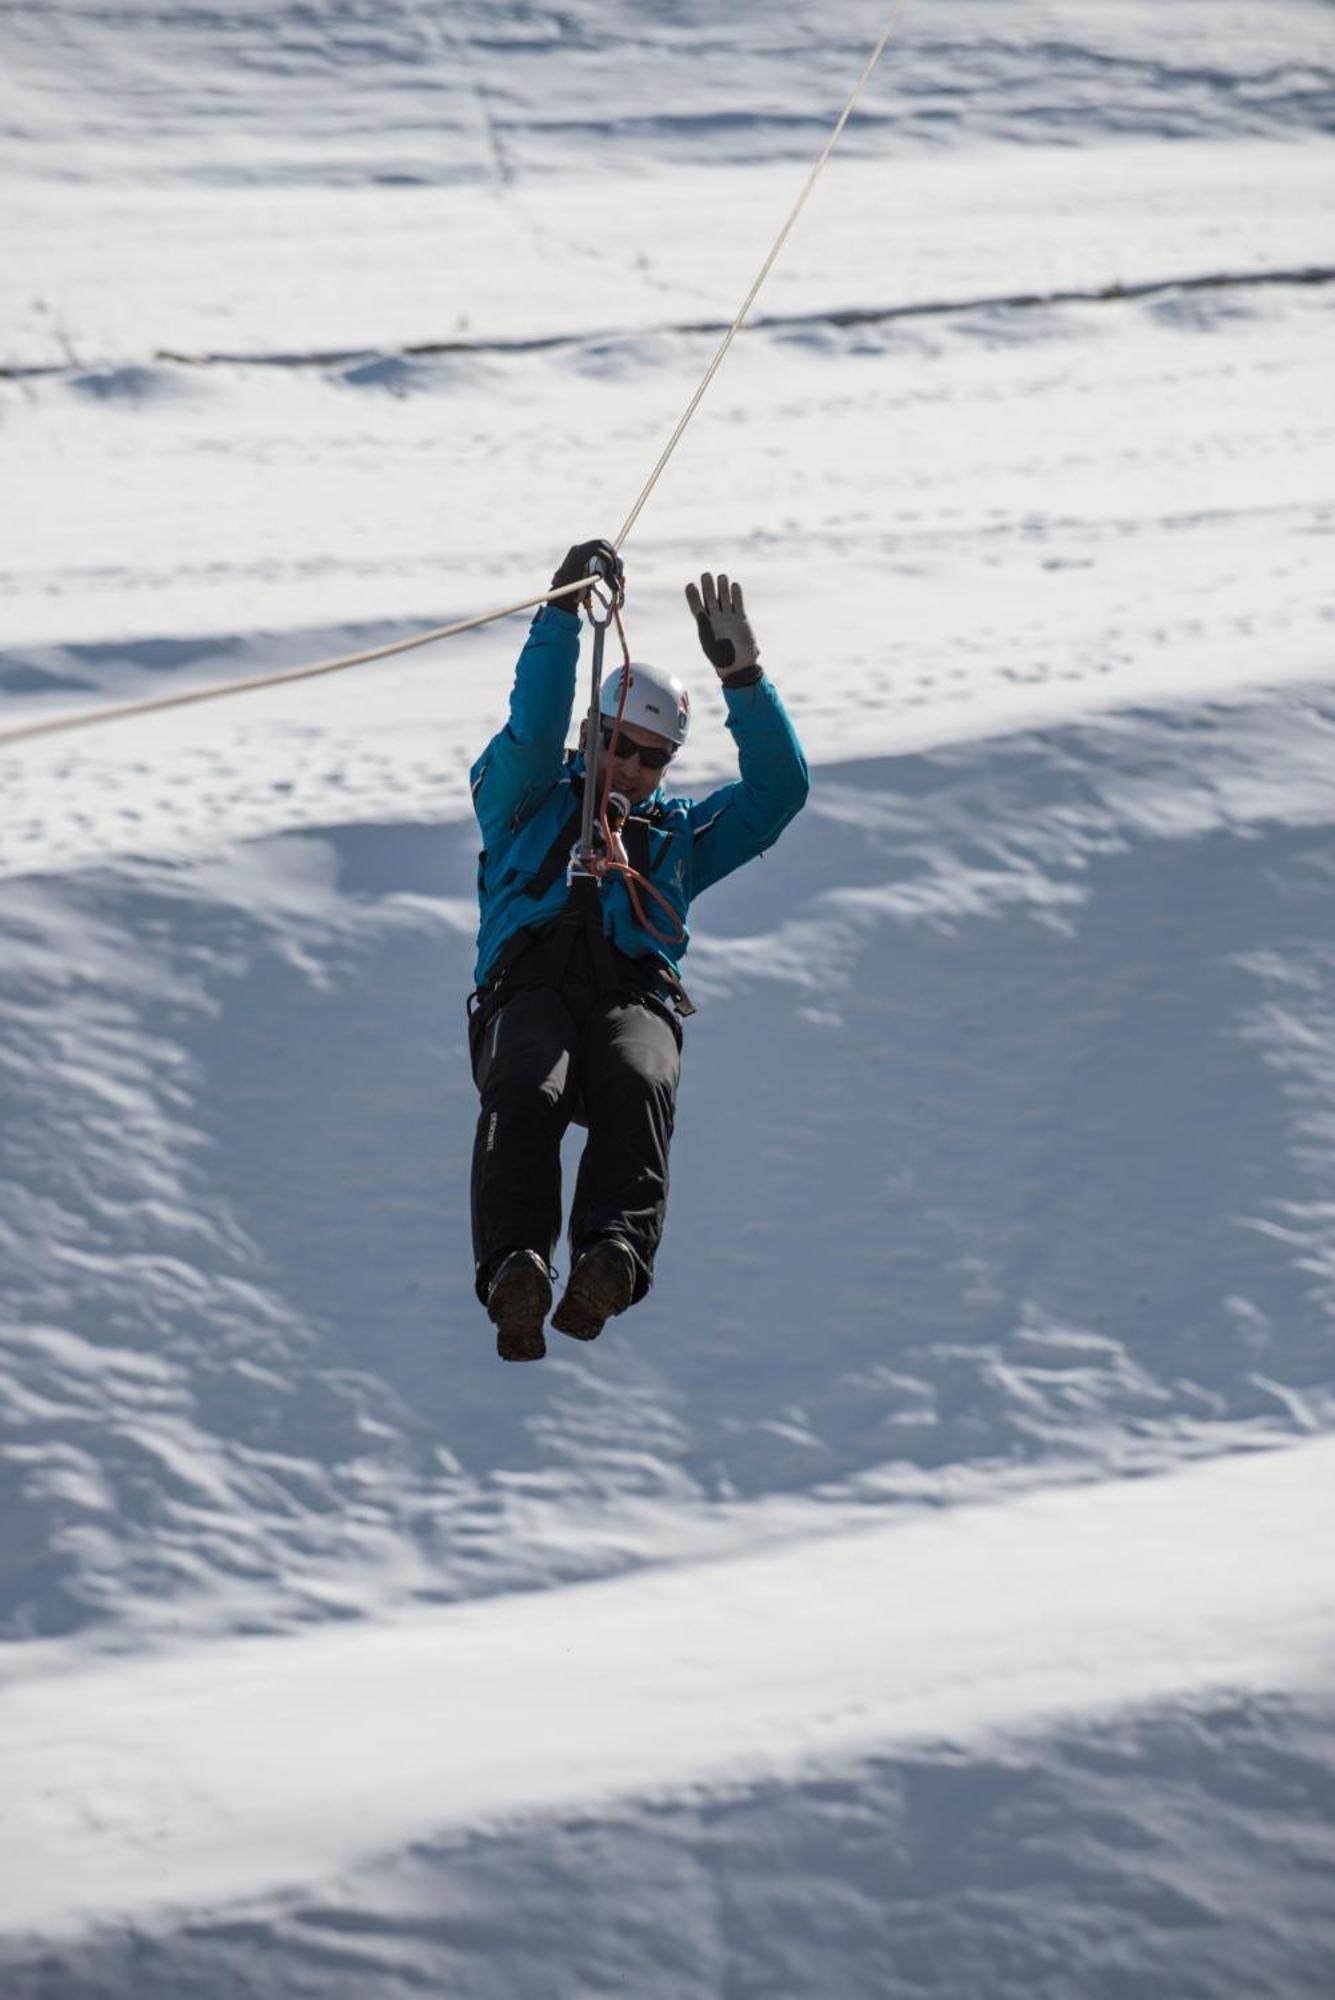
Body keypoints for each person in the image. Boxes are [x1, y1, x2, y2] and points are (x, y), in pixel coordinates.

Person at [468, 538, 809, 1361]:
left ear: (666, 767)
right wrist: (561, 614)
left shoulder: (678, 837)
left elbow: (777, 794)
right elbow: (533, 723)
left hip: (632, 996)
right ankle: (515, 1265)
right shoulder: (523, 799)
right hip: (530, 990)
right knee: (526, 1084)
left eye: (648, 757)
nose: (624, 766)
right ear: (590, 733)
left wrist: (744, 679)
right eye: (614, 743)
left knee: (637, 1077)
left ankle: (610, 1258)